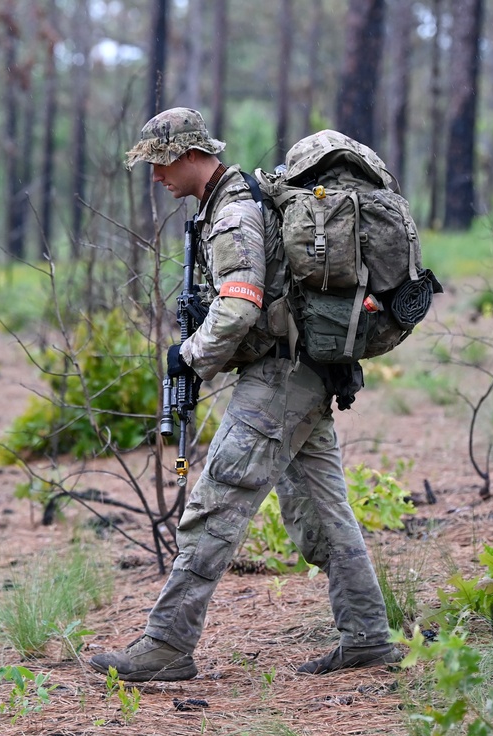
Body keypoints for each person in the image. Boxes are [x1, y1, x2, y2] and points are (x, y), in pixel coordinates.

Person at [88, 107, 401, 681]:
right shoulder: (231, 202)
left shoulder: (232, 213)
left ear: (189, 156)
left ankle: (166, 644)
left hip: (280, 381)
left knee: (215, 506)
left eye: (160, 163)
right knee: (324, 515)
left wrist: (189, 357)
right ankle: (367, 637)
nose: (156, 176)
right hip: (302, 374)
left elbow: (238, 306)